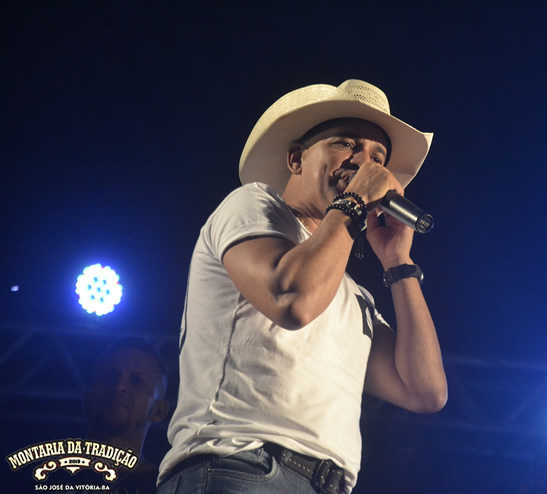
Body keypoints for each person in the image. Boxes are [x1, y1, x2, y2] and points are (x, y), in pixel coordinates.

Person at [157, 79, 447, 494]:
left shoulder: (352, 295)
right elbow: (293, 300)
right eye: (346, 144)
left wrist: (398, 262)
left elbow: (425, 391)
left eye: (377, 157)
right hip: (242, 464)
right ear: (296, 159)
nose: (364, 163)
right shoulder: (251, 205)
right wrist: (353, 203)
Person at [82, 337, 170, 493]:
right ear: (87, 398)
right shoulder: (42, 470)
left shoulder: (168, 488)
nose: (119, 386)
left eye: (136, 381)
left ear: (159, 411)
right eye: (109, 377)